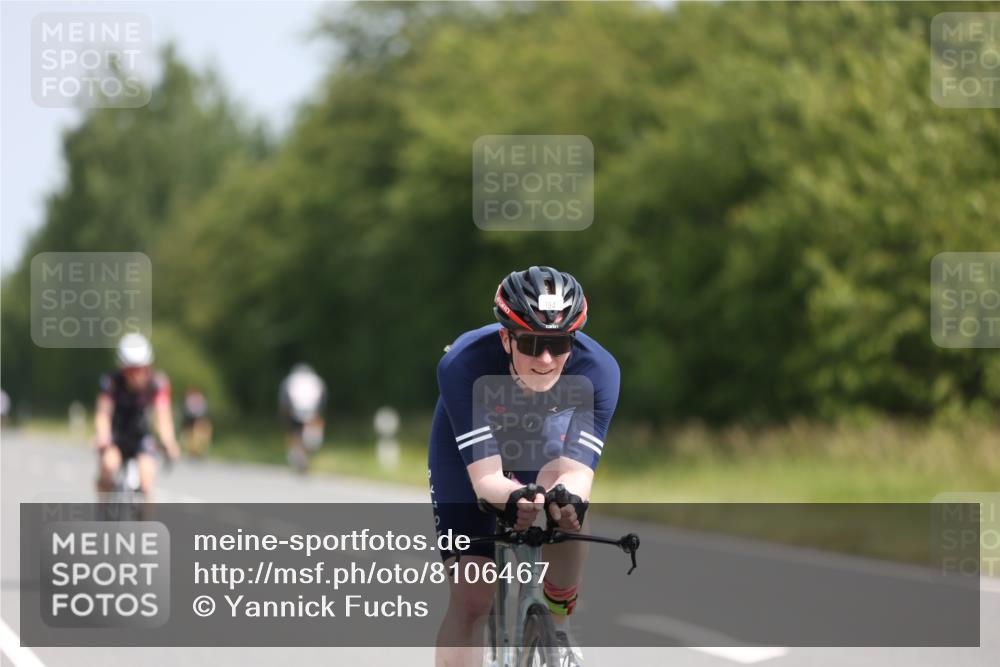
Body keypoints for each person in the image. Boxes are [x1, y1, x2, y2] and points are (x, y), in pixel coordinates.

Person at [429, 266, 620, 667]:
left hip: (541, 444)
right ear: (506, 337)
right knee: (472, 599)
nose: (547, 358)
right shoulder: (463, 363)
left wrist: (564, 500)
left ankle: (556, 628)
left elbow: (577, 472)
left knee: (568, 508)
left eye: (560, 343)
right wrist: (511, 496)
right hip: (471, 455)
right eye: (532, 343)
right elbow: (485, 481)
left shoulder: (598, 371)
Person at [94, 333, 180, 509]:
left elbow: (162, 416)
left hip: (142, 437)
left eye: (141, 369)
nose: (137, 376)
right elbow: (103, 413)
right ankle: (102, 513)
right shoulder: (111, 381)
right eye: (130, 371)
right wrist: (102, 435)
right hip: (117, 435)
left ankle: (145, 527)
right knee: (108, 467)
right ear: (122, 369)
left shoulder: (157, 383)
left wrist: (169, 442)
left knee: (147, 481)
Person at [279, 363, 327, 473]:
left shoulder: (290, 380)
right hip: (313, 411)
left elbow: (283, 398)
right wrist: (320, 413)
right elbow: (323, 397)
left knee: (295, 433)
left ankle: (297, 455)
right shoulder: (317, 380)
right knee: (311, 438)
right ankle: (304, 457)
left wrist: (284, 414)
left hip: (294, 409)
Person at [181, 386, 213, 458]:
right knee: (191, 436)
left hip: (196, 420)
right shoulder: (197, 398)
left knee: (196, 435)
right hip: (192, 420)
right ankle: (194, 451)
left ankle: (198, 451)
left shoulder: (194, 398)